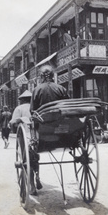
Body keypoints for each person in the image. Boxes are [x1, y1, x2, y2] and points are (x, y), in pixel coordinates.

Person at [29, 64, 69, 194]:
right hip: (63, 131)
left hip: (43, 131)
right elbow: (68, 107)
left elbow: (32, 111)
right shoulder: (61, 88)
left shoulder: (37, 90)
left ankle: (33, 182)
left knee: (30, 151)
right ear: (53, 76)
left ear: (41, 77)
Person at [9, 90, 41, 195]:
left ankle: (32, 186)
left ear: (22, 100)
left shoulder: (19, 108)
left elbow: (13, 123)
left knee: (27, 160)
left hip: (26, 136)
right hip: (38, 135)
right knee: (35, 157)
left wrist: (12, 124)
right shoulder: (38, 107)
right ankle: (37, 176)